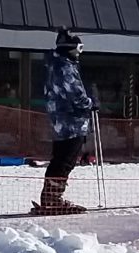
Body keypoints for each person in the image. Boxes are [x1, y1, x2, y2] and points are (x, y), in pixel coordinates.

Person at [36, 27, 94, 215]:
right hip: (71, 122)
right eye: (79, 49)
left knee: (60, 159)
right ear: (72, 48)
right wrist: (90, 103)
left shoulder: (54, 65)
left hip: (60, 121)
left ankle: (50, 197)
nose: (80, 53)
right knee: (65, 161)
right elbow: (76, 94)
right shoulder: (65, 67)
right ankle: (53, 199)